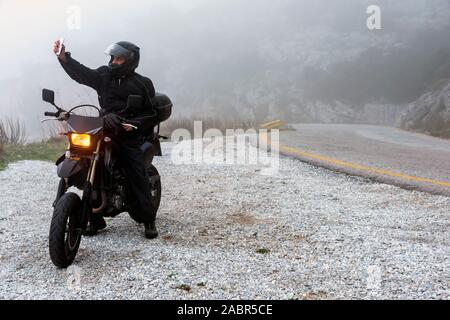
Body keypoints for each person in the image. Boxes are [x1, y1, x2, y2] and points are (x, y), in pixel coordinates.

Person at [53, 39, 158, 239]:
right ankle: (94, 217)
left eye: (118, 59)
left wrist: (133, 123)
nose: (113, 62)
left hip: (127, 134)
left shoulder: (142, 84)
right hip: (103, 129)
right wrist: (64, 58)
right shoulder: (104, 75)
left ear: (129, 61)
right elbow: (83, 74)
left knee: (136, 172)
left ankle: (148, 218)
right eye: (112, 57)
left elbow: (150, 113)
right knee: (89, 163)